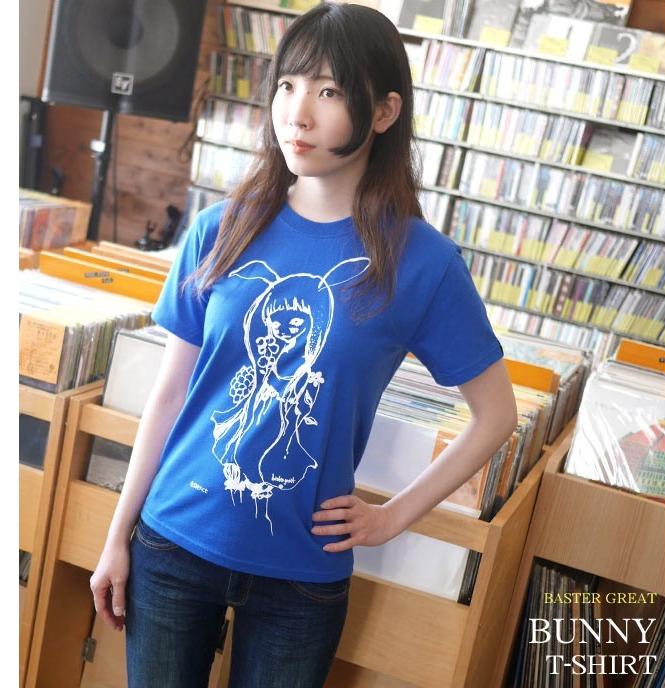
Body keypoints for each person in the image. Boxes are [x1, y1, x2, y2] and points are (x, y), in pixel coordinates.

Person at [89, 3, 518, 687]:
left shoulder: (422, 263)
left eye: (329, 91)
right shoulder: (219, 228)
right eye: (287, 85)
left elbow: (497, 416)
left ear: (384, 111)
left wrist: (391, 518)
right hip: (173, 544)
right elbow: (169, 397)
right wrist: (118, 536)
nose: (298, 113)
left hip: (301, 579)